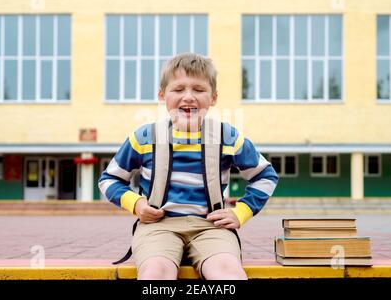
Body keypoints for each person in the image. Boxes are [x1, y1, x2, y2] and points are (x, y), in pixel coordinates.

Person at [98, 53, 279, 280]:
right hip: (158, 226)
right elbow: (109, 179)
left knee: (229, 274)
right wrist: (136, 204)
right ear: (162, 95)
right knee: (155, 273)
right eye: (179, 89)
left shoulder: (227, 137)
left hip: (211, 227)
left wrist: (241, 212)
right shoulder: (144, 137)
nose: (189, 97)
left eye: (198, 90)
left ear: (213, 97)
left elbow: (265, 175)